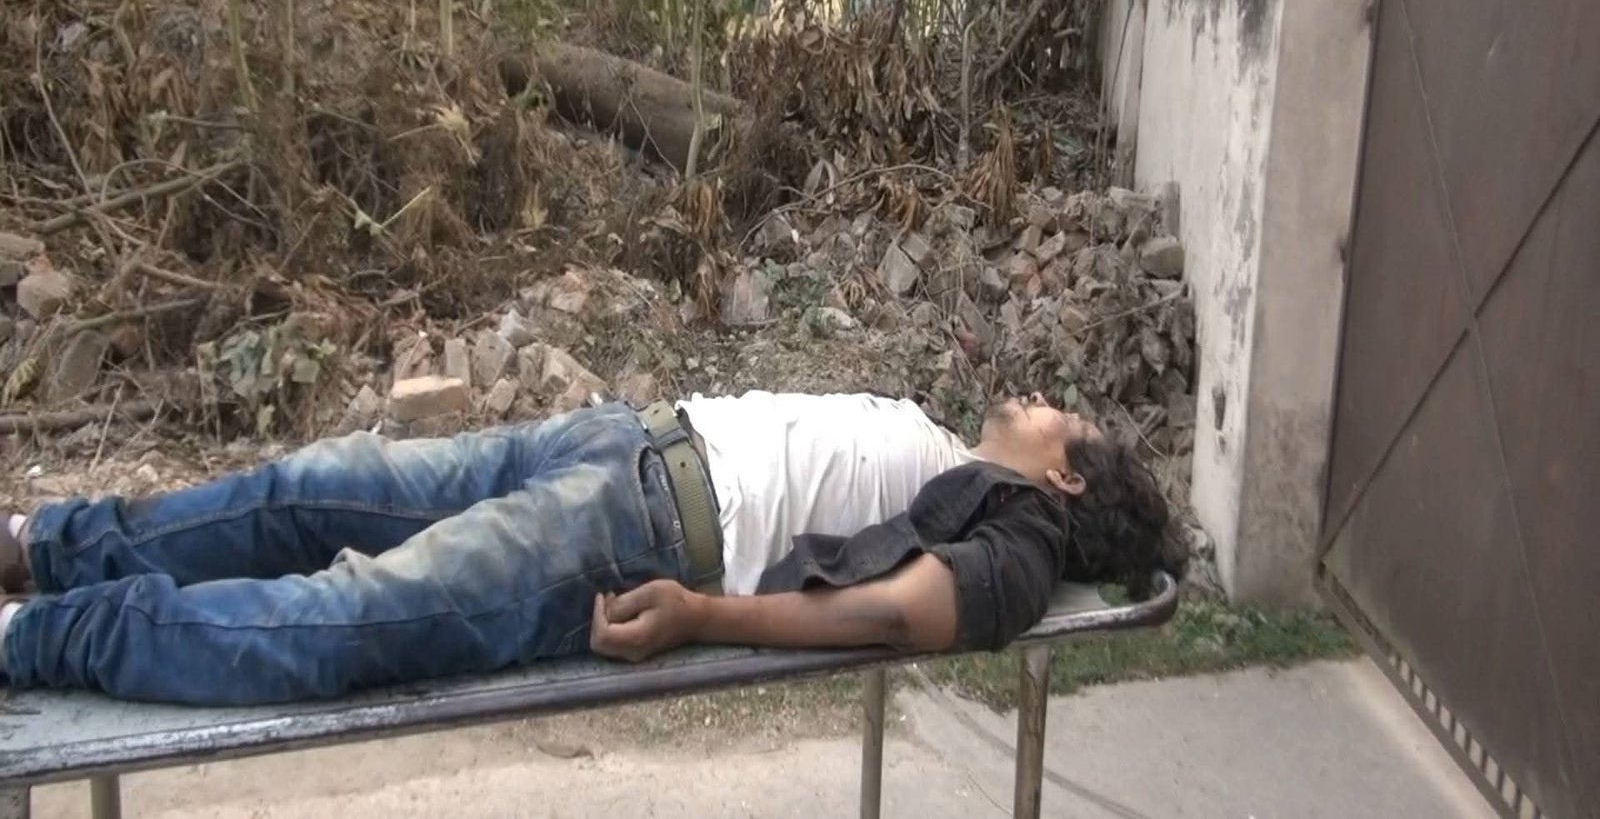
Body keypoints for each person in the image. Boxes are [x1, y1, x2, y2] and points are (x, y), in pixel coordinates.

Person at [0, 390, 1183, 706]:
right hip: (621, 441)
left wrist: (702, 615)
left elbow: (903, 612)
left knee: (347, 615)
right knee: (314, 489)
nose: (1037, 399)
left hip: (637, 532)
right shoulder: (956, 456)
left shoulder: (1025, 532)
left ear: (1068, 475)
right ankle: (43, 547)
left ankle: (37, 636)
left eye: (1061, 415)